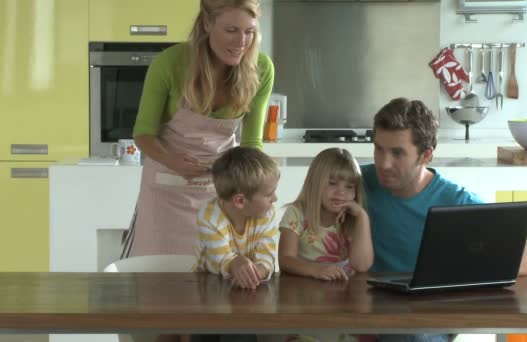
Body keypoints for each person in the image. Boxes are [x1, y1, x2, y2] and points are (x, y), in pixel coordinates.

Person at [362, 97, 527, 342]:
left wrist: (451, 274)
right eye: (378, 149)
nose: (383, 163)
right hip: (367, 309)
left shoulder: (456, 201)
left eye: (397, 153)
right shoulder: (357, 182)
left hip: (424, 320)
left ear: (426, 155)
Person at [122, 0, 274, 258]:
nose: (241, 42)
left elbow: (251, 145)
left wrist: (259, 188)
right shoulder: (170, 64)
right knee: (156, 281)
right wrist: (172, 160)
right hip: (165, 191)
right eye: (231, 30)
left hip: (221, 192)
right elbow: (143, 133)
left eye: (249, 31)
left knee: (217, 279)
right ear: (207, 23)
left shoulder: (261, 68)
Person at [278, 148, 374, 281]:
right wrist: (316, 270)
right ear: (315, 184)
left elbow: (361, 266)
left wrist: (362, 217)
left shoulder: (354, 218)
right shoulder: (297, 212)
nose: (341, 192)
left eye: (349, 186)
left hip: (344, 293)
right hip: (304, 288)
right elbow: (285, 259)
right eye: (332, 183)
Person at [193, 146, 279, 290]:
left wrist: (256, 272)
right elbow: (221, 260)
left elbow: (267, 257)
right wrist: (234, 264)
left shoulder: (267, 214)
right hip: (210, 287)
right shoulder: (208, 217)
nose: (275, 199)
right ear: (240, 201)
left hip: (249, 287)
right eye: (269, 194)